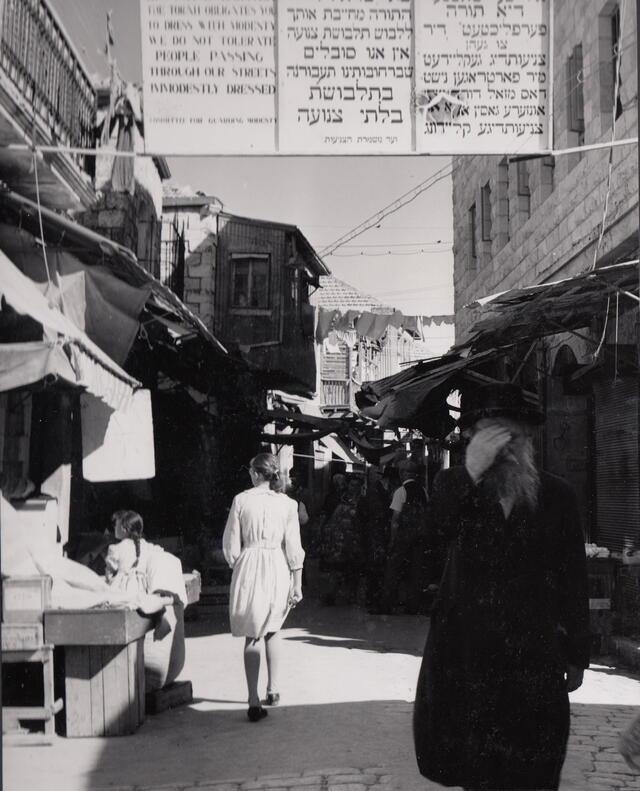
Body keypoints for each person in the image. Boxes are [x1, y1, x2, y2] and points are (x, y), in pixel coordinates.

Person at [413, 382, 590, 791]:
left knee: (536, 773)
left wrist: (578, 651)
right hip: (467, 662)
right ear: (472, 438)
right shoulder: (451, 487)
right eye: (493, 434)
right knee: (477, 774)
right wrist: (471, 472)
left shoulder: (557, 496)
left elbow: (572, 579)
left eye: (513, 434)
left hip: (535, 664)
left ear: (529, 438)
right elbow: (424, 548)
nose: (504, 446)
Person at [222, 452, 304, 723]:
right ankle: (273, 688)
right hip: (278, 566)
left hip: (250, 564)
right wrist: (297, 583)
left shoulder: (241, 500)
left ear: (256, 473)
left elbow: (231, 543)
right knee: (272, 630)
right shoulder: (288, 504)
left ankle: (252, 699)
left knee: (252, 633)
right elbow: (293, 546)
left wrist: (239, 563)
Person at [380, 460, 428, 614]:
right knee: (416, 571)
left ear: (403, 474)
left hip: (403, 536)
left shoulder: (401, 491)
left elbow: (395, 519)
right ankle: (413, 606)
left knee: (393, 570)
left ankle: (387, 605)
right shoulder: (423, 491)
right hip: (419, 536)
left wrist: (392, 540)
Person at [105, 510, 150, 595]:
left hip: (121, 591)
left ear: (123, 529)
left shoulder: (115, 548)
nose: (114, 527)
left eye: (115, 525)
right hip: (143, 591)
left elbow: (109, 575)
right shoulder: (146, 546)